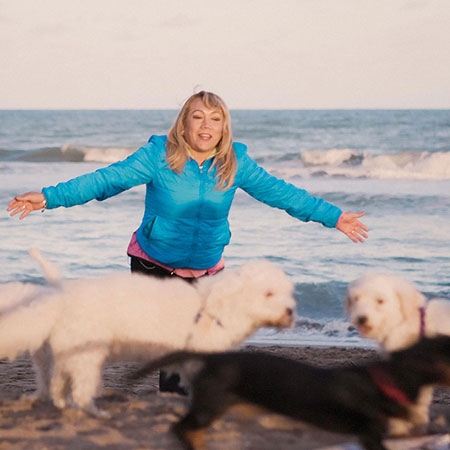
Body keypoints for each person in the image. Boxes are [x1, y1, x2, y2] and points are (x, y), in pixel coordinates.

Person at [7, 90, 369, 393]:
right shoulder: (158, 156)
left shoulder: (234, 162)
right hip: (154, 263)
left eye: (215, 119)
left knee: (199, 345)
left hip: (206, 270)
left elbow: (283, 194)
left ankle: (180, 398)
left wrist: (333, 216)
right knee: (170, 344)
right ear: (184, 122)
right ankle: (157, 399)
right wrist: (49, 197)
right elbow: (106, 180)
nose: (206, 126)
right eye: (198, 117)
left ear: (224, 126)